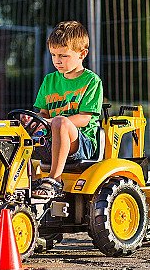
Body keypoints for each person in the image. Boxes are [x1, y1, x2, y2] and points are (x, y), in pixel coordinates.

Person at [30, 21, 103, 198]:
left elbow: (85, 118)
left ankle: (54, 180)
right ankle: (28, 181)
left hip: (81, 144)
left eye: (63, 55)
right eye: (53, 55)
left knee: (60, 121)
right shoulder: (49, 81)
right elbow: (43, 114)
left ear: (82, 54)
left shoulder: (91, 82)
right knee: (21, 128)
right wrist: (36, 122)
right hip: (51, 139)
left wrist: (51, 122)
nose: (57, 60)